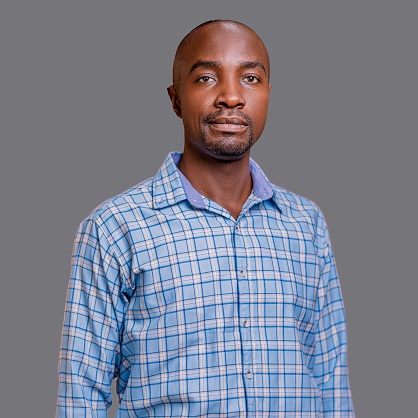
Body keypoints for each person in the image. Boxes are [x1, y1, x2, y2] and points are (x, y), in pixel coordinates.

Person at [57, 20, 355, 417]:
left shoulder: (306, 223)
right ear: (176, 99)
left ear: (268, 93)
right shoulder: (115, 227)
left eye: (250, 78)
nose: (231, 96)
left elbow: (330, 379)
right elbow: (81, 392)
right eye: (206, 78)